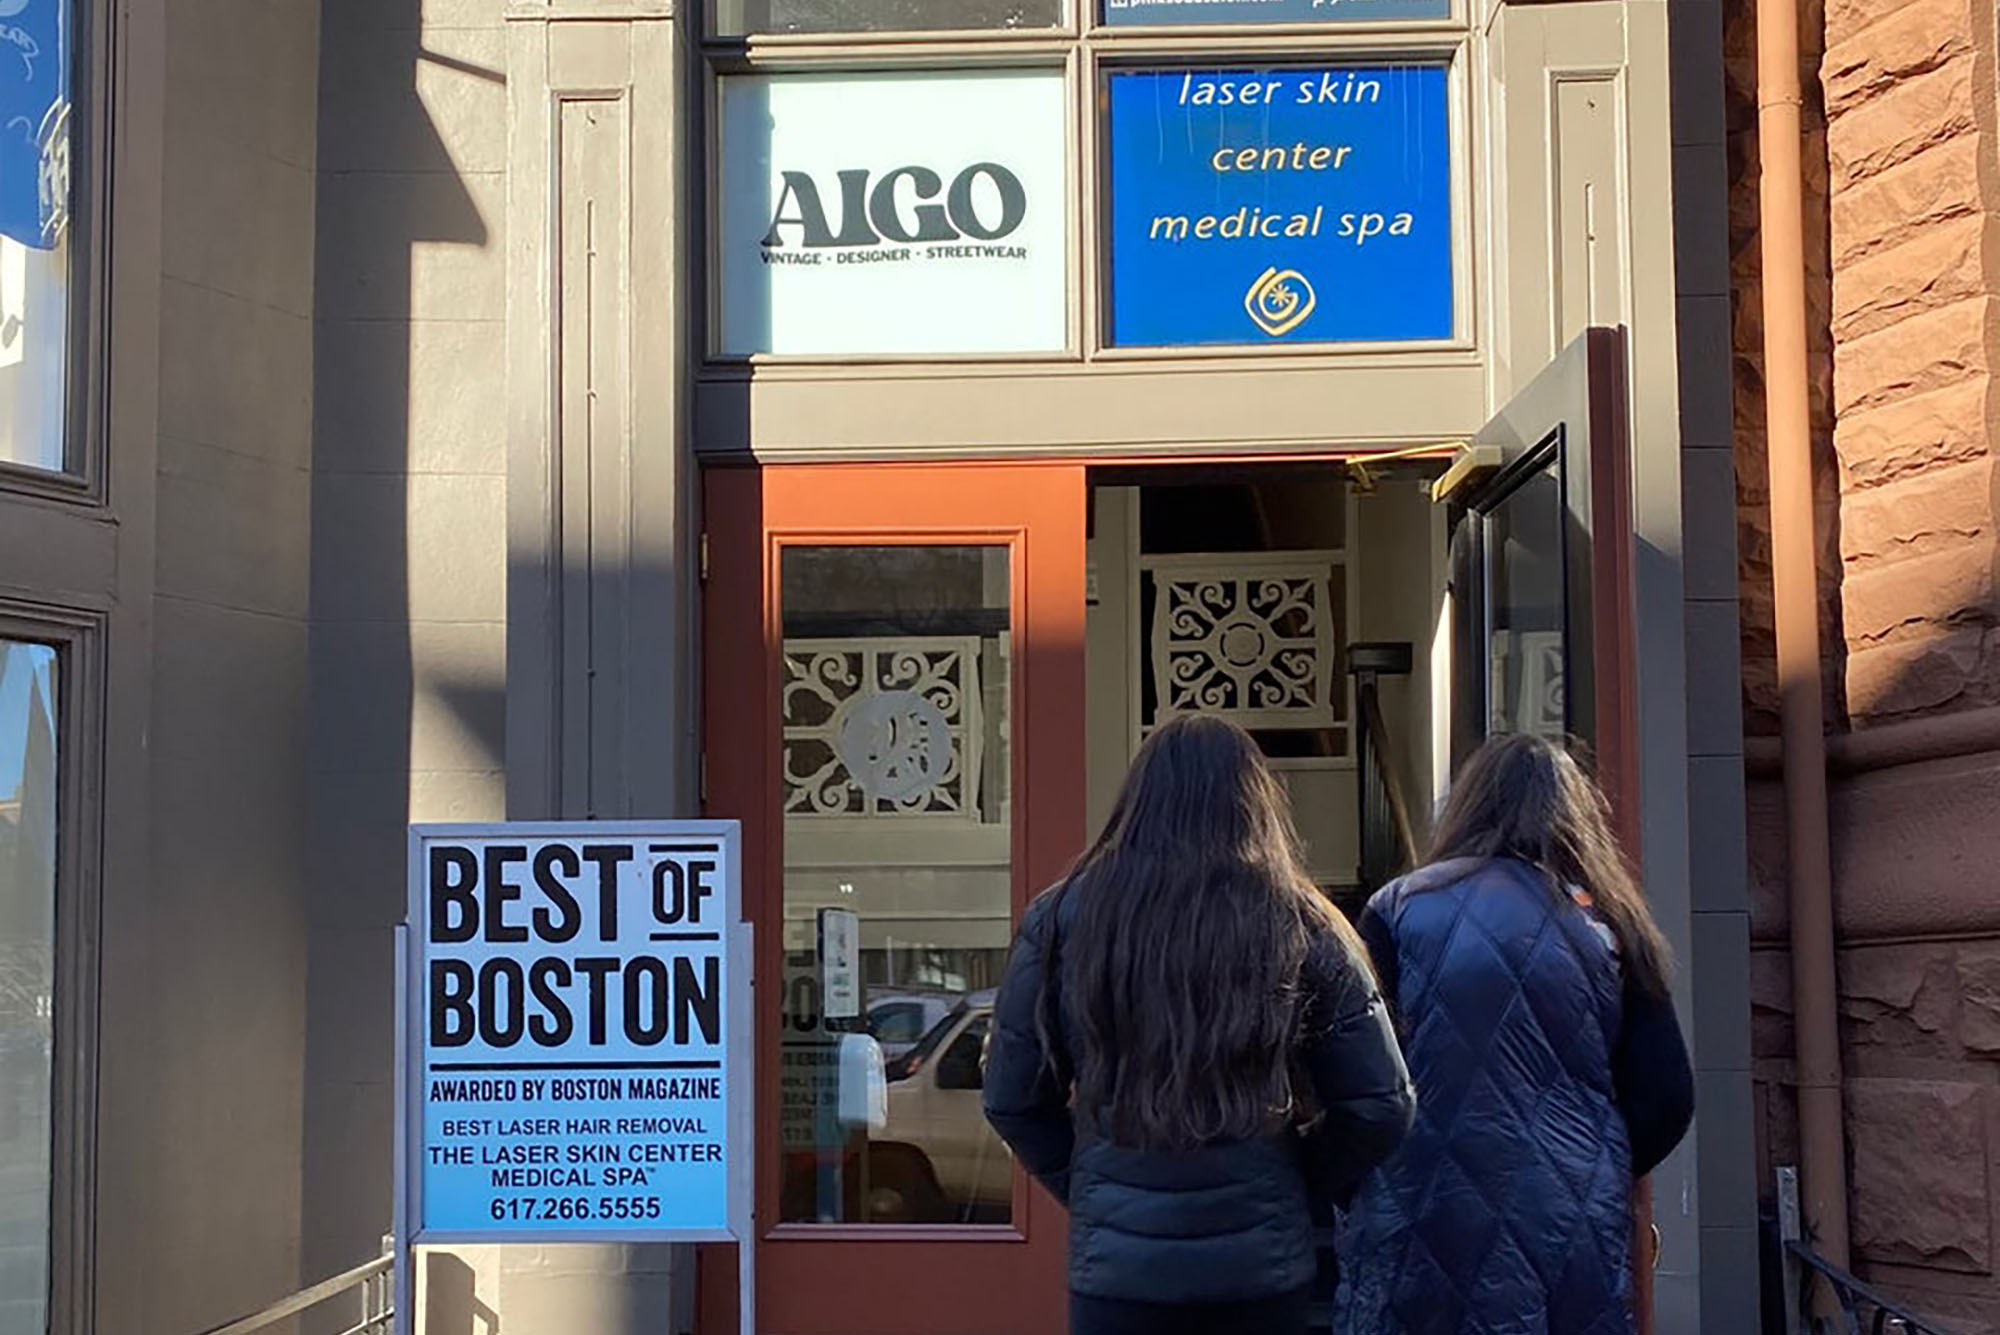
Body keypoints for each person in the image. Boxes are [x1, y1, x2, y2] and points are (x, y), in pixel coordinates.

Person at [982, 714, 1417, 1335]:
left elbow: (1011, 1101)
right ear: (1255, 803)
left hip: (1120, 1273)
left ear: (1137, 801)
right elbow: (1381, 1105)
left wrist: (1095, 1187)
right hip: (1259, 1265)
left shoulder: (1061, 918)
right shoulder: (1301, 920)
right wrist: (1294, 1175)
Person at [1335, 733, 1696, 1335]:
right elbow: (1667, 1095)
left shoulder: (1398, 908)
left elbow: (1358, 1071)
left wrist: (1359, 1183)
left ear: (1469, 805)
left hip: (1419, 1206)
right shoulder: (1608, 921)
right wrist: (1593, 1158)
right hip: (1565, 1217)